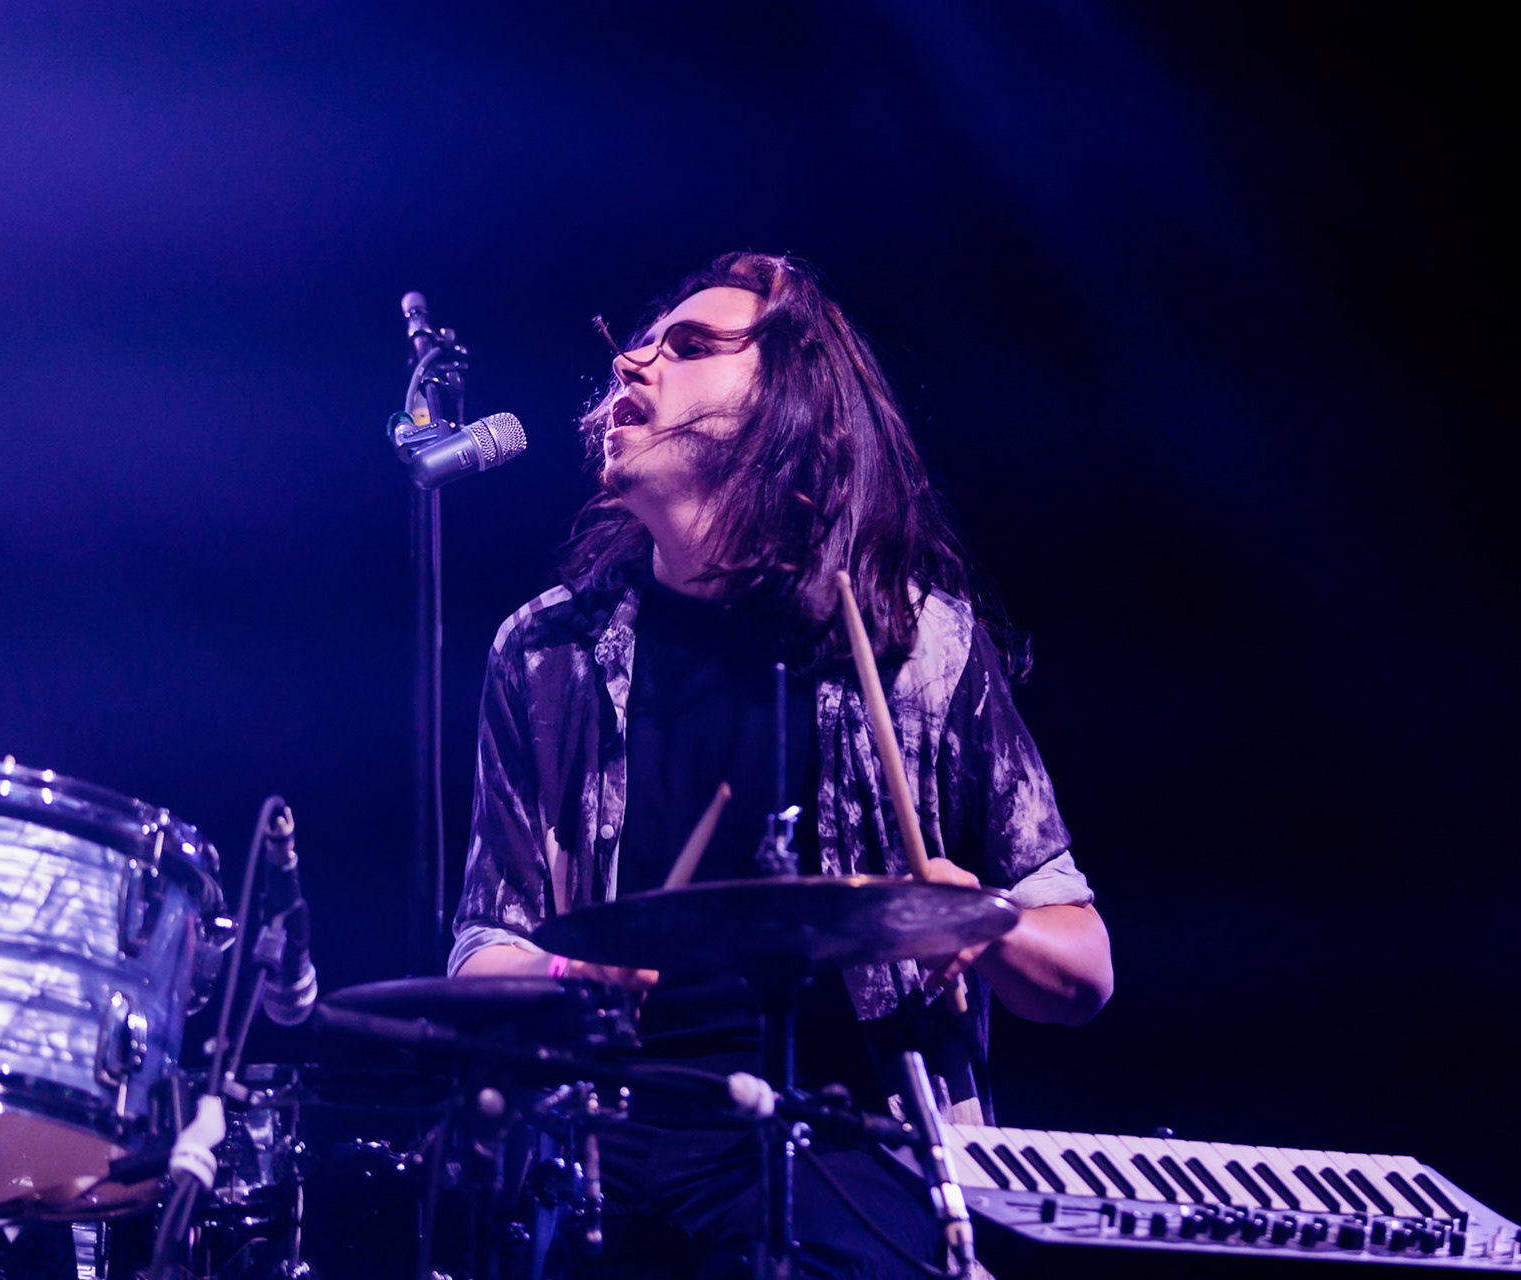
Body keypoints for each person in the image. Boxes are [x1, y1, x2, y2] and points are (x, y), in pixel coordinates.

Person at [449, 252, 1113, 1279]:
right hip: (611, 1137)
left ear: (786, 403)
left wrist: (979, 920)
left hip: (856, 1140)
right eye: (642, 339)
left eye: (690, 345)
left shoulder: (915, 645)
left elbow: (1084, 970)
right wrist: (566, 973)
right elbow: (483, 955)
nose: (631, 359)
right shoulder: (546, 656)